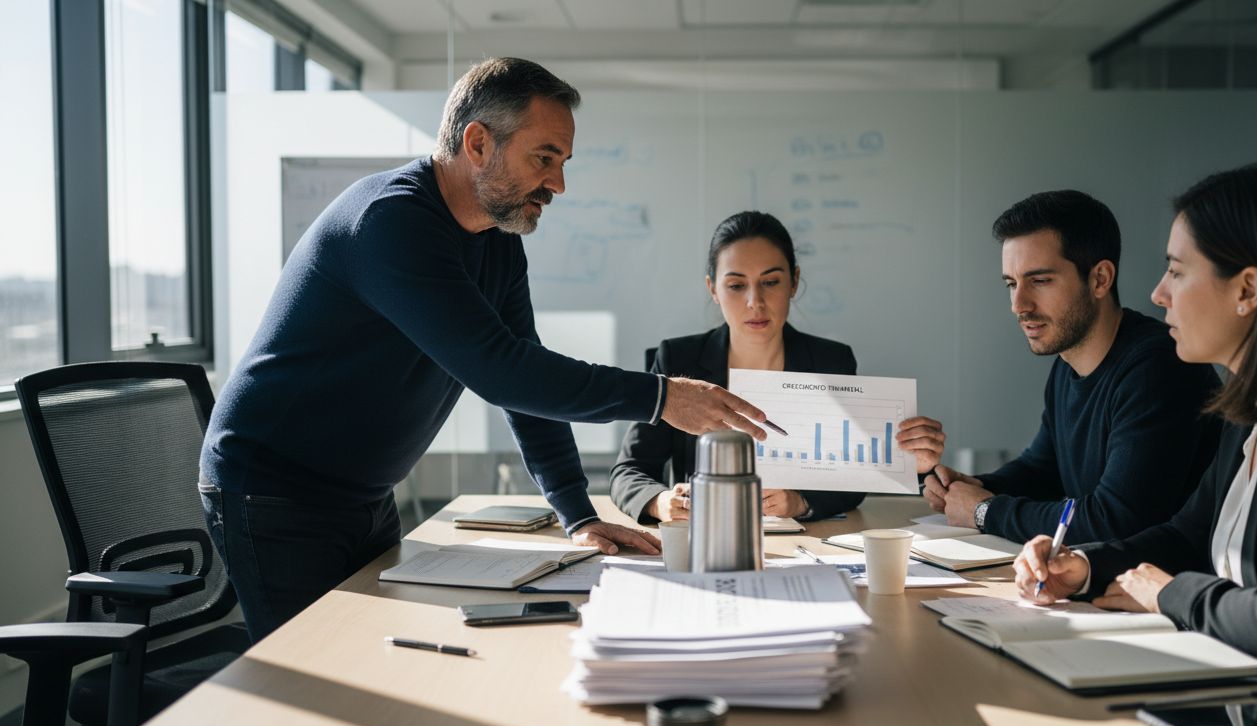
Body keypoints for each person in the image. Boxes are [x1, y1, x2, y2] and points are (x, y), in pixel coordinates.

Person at [199, 58, 771, 642]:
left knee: (372, 655)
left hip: (363, 495)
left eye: (563, 163)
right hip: (272, 491)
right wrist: (660, 396)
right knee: (310, 679)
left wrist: (577, 514)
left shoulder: (496, 242)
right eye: (544, 158)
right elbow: (503, 373)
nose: (558, 184)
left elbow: (523, 377)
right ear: (477, 143)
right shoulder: (390, 221)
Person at [1015, 163, 1257, 679]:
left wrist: (1169, 593)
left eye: (1176, 270)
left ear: (1247, 290)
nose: (1158, 294)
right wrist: (1081, 567)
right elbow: (1188, 536)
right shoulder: (1251, 406)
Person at [924, 190, 1221, 543]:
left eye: (1039, 281)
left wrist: (985, 510)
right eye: (1011, 283)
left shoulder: (1158, 367)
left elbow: (1116, 520)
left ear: (1100, 279)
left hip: (1160, 588)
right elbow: (1043, 470)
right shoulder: (1069, 362)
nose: (1019, 305)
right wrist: (974, 487)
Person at [610, 211, 945, 522]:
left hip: (805, 544)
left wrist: (800, 501)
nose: (755, 301)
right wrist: (660, 501)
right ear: (713, 289)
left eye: (770, 282)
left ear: (794, 282)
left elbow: (851, 477)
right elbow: (630, 470)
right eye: (736, 285)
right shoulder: (677, 359)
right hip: (705, 536)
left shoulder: (831, 361)